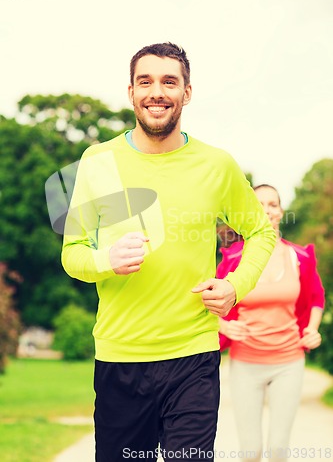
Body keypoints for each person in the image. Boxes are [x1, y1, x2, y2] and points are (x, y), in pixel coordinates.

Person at [61, 42, 276, 462]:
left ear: (187, 92)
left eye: (169, 82)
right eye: (146, 81)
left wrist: (234, 287)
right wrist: (107, 260)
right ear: (131, 92)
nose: (156, 91)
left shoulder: (217, 165)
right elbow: (73, 254)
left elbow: (260, 233)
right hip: (120, 357)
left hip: (192, 355)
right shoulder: (96, 161)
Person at [217, 184, 325, 462]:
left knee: (278, 450)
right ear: (248, 211)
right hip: (245, 363)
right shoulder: (233, 258)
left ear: (281, 211)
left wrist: (312, 328)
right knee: (250, 450)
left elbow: (315, 296)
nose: (267, 209)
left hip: (289, 362)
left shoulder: (298, 257)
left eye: (273, 204)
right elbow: (209, 300)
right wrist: (223, 327)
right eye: (259, 204)